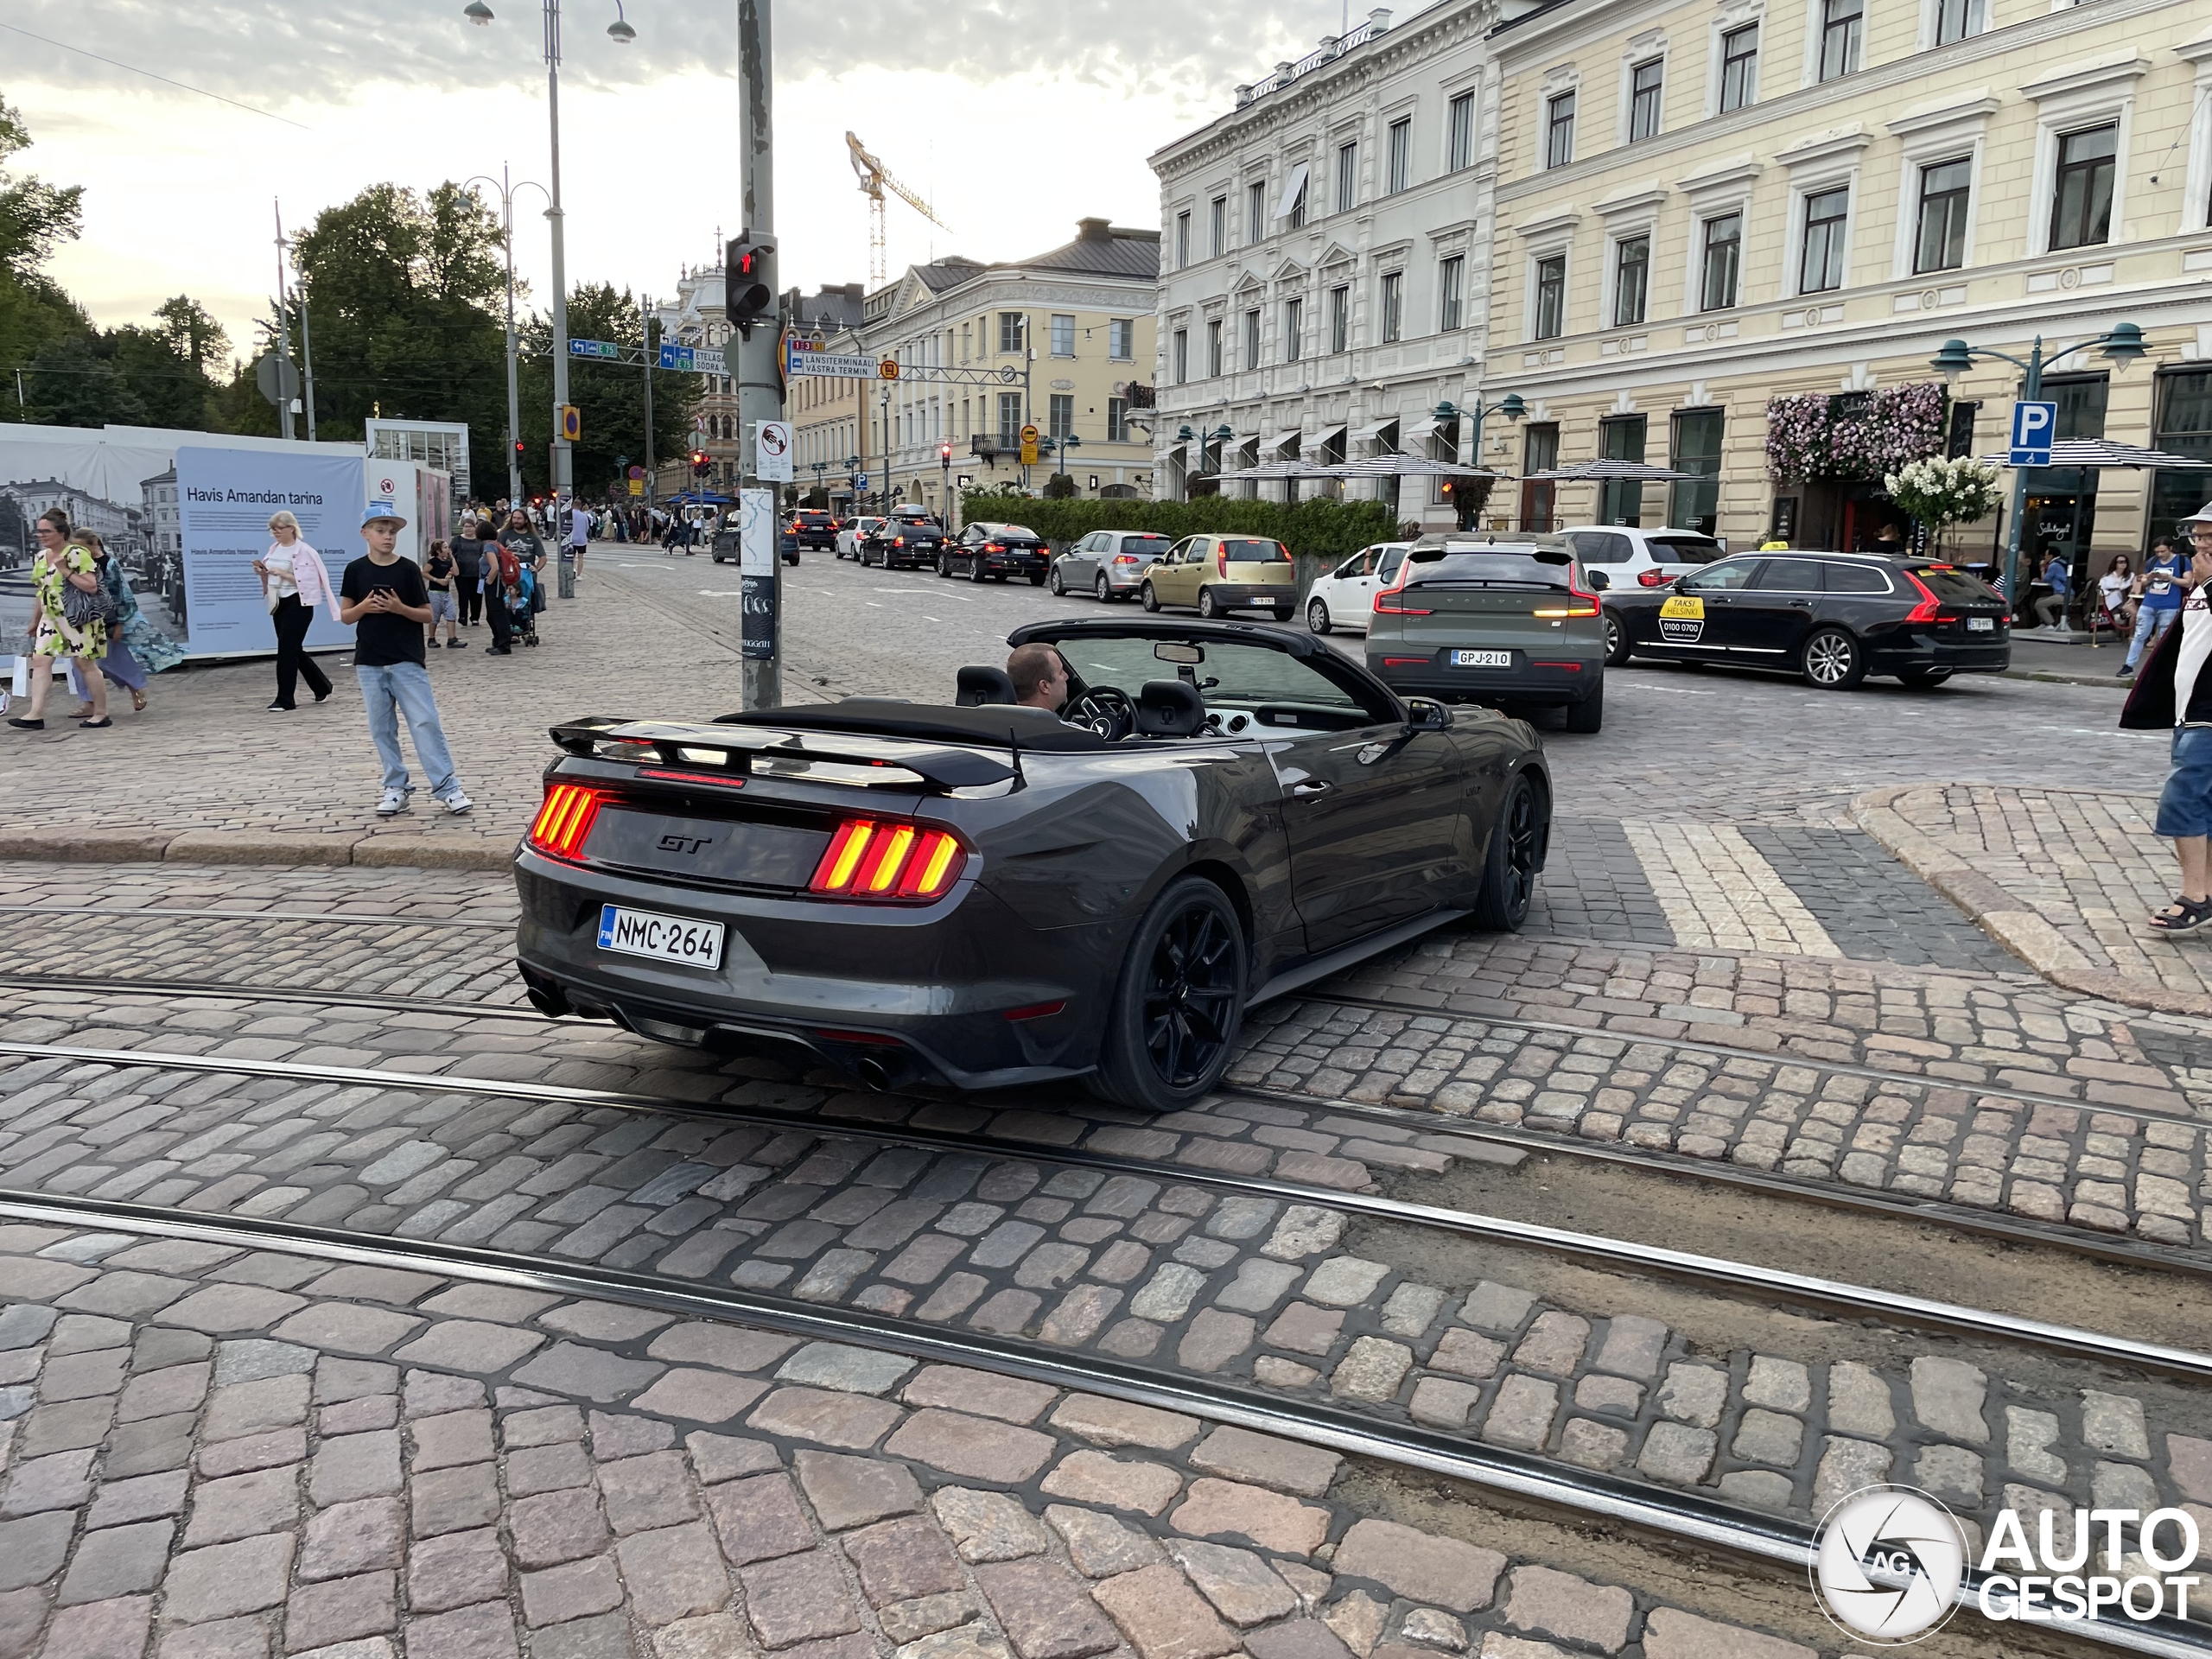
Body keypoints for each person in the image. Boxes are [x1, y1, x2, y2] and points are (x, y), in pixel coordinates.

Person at [338, 501, 471, 818]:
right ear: (365, 534)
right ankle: (396, 787)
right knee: (382, 728)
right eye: (381, 531)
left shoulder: (408, 569)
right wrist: (364, 608)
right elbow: (345, 615)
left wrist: (399, 609)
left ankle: (447, 787)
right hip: (369, 660)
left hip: (406, 658)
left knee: (424, 722)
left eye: (392, 531)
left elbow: (426, 613)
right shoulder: (355, 569)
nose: (387, 536)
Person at [2120, 504, 2212, 932]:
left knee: (2183, 800)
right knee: (2204, 805)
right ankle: (2207, 893)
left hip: (2208, 715)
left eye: (2210, 536)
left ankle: (2194, 895)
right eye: (2198, 536)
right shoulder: (2202, 585)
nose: (2202, 544)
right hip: (2188, 711)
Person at [9, 508, 110, 730]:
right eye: (39, 532)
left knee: (84, 662)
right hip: (50, 617)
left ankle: (101, 712)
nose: (41, 535)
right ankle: (35, 714)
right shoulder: (40, 557)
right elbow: (41, 591)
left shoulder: (76, 553)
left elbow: (92, 587)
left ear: (61, 532)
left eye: (46, 531)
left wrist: (65, 570)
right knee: (40, 661)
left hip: (76, 615)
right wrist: (34, 620)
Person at [67, 531, 160, 716]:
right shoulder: (77, 565)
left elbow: (122, 595)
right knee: (78, 662)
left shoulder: (109, 564)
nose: (77, 551)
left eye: (81, 547)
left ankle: (136, 688)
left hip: (108, 621)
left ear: (93, 544)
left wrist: (120, 623)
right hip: (83, 619)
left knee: (114, 661)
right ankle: (88, 702)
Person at [253, 510, 336, 711]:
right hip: (279, 603)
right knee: (293, 649)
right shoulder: (274, 549)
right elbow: (270, 574)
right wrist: (262, 572)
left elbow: (311, 581)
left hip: (299, 603)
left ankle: (285, 699)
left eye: (279, 528)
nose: (275, 532)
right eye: (272, 529)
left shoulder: (305, 551)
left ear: (291, 528)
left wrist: (284, 574)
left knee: (286, 651)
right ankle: (321, 686)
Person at [2124, 537, 2190, 678]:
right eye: (2157, 552)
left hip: (2169, 605)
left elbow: (2188, 582)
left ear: (2170, 548)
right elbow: (2144, 584)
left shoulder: (2181, 561)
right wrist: (2148, 578)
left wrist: (2170, 578)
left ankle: (2162, 668)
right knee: (2140, 635)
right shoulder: (2152, 561)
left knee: (2164, 638)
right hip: (2149, 603)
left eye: (2163, 551)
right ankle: (2128, 665)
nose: (2160, 555)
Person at [424, 538, 463, 649]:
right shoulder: (433, 562)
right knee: (434, 617)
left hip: (446, 593)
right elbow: (424, 573)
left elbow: (456, 572)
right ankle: (431, 638)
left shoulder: (448, 562)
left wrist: (452, 558)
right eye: (445, 547)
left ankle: (452, 639)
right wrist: (437, 580)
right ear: (438, 551)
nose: (448, 549)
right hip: (435, 593)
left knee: (451, 614)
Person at [1007, 644, 1071, 713]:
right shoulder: (1051, 723)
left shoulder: (1003, 719)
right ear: (1044, 686)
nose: (1066, 676)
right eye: (1061, 672)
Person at [450, 518, 488, 630]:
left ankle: (475, 617)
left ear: (475, 527)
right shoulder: (457, 540)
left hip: (478, 574)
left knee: (477, 596)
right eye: (466, 526)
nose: (468, 529)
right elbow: (451, 554)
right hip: (462, 574)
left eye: (470, 526)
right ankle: (463, 617)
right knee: (463, 596)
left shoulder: (480, 541)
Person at [2098, 552, 2137, 640]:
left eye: (2125, 562)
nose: (2123, 564)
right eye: (2120, 562)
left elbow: (2133, 588)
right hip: (2110, 599)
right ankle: (2116, 617)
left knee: (2132, 611)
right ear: (2115, 564)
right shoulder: (2107, 577)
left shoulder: (2131, 575)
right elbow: (2100, 589)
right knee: (2114, 595)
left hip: (2126, 600)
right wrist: (2109, 593)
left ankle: (2129, 634)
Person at [2034, 549, 2071, 630]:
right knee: (2039, 600)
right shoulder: (2062, 562)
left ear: (2051, 556)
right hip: (2067, 593)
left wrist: (2042, 568)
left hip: (2064, 594)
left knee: (2039, 605)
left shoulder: (2054, 565)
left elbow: (2045, 579)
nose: (2044, 557)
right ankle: (2043, 622)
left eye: (2046, 555)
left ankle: (2050, 624)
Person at [567, 495, 591, 580]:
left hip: (571, 538)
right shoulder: (584, 516)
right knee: (580, 557)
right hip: (581, 539)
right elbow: (587, 528)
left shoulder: (569, 514)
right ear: (580, 506)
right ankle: (579, 575)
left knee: (571, 557)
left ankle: (572, 571)